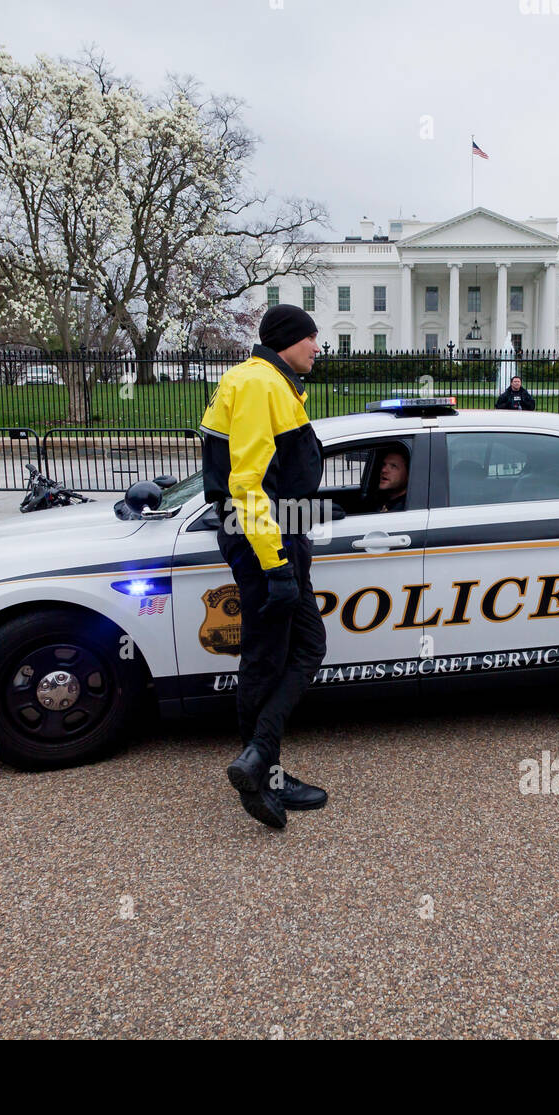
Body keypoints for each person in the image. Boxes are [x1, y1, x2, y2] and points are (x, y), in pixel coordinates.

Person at [200, 304, 329, 829]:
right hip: (264, 541)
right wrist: (276, 564)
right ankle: (261, 769)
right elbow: (247, 485)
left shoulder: (270, 382)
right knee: (270, 655)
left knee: (295, 648)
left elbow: (279, 477)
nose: (318, 348)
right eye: (312, 339)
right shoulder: (259, 384)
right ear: (287, 340)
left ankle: (259, 760)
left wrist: (312, 512)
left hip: (274, 532)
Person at [376, 447, 410, 512]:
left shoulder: (403, 510)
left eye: (393, 466)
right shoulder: (381, 498)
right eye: (384, 465)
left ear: (408, 475)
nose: (383, 470)